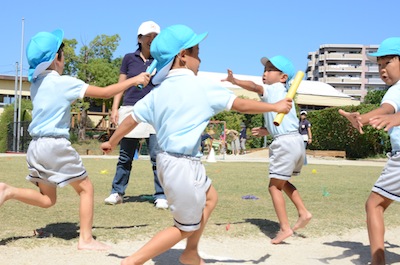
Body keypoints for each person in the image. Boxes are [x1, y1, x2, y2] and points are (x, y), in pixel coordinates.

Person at [100, 24, 293, 265]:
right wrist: (275, 107)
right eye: (197, 53)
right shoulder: (201, 86)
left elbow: (131, 120)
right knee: (183, 228)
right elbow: (240, 104)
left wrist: (112, 141)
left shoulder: (158, 92)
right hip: (183, 166)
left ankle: (190, 253)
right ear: (182, 56)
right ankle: (131, 262)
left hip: (170, 162)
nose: (200, 59)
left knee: (210, 198)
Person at [0, 29, 150, 250]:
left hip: (36, 147)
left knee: (48, 200)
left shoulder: (36, 84)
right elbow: (107, 92)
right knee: (86, 189)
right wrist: (134, 80)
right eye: (62, 53)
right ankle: (86, 240)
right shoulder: (64, 82)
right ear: (56, 58)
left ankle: (7, 191)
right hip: (55, 145)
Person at [222, 55, 312, 244]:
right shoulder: (285, 96)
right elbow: (285, 122)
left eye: (270, 70)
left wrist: (234, 81)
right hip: (296, 140)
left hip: (285, 143)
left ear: (283, 77)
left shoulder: (273, 89)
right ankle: (303, 212)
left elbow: (255, 87)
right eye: (265, 70)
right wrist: (267, 130)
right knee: (283, 181)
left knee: (273, 187)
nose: (265, 73)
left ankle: (285, 228)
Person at [339, 37, 400, 265]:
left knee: (374, 204)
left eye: (388, 63)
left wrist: (365, 118)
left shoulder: (396, 90)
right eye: (379, 64)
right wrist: (360, 118)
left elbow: (387, 108)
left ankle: (378, 261)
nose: (382, 69)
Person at [104, 21, 168, 209]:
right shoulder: (128, 58)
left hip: (154, 111)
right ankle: (117, 192)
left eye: (155, 37)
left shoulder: (164, 60)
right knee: (125, 156)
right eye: (148, 36)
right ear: (139, 39)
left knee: (157, 156)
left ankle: (161, 194)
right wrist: (115, 108)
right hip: (130, 109)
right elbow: (120, 84)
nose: (151, 40)